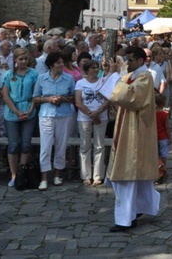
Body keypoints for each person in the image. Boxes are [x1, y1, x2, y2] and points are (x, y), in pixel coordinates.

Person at [104, 46, 160, 232]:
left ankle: (125, 218)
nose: (127, 63)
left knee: (127, 174)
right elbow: (114, 94)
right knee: (134, 175)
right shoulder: (132, 76)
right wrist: (113, 76)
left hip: (136, 131)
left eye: (131, 59)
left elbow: (131, 97)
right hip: (127, 129)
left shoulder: (144, 77)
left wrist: (115, 77)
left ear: (141, 60)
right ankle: (138, 209)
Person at [33, 51, 76, 190]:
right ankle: (44, 177)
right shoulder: (42, 78)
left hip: (63, 114)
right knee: (45, 146)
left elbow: (73, 96)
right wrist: (48, 99)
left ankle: (58, 174)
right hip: (46, 114)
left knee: (61, 144)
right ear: (51, 65)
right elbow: (35, 98)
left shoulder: (68, 78)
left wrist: (63, 99)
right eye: (58, 63)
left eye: (62, 62)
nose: (61, 65)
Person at [1, 48, 39, 188]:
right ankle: (14, 174)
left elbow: (36, 93)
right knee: (13, 145)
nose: (23, 62)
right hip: (12, 112)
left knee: (25, 143)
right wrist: (16, 111)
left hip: (29, 110)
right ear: (15, 60)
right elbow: (5, 94)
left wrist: (30, 109)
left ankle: (22, 170)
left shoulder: (34, 74)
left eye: (25, 59)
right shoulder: (9, 74)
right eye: (20, 59)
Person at [74, 59, 110, 187]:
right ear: (87, 69)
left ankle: (98, 175)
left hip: (101, 115)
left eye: (97, 68)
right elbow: (78, 102)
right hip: (84, 117)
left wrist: (98, 111)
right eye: (93, 68)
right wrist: (91, 114)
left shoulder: (103, 82)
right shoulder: (80, 83)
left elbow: (108, 99)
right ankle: (86, 175)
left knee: (99, 146)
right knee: (85, 146)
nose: (96, 70)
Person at [155, 93, 171, 184]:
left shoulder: (153, 114)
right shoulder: (164, 114)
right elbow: (167, 127)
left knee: (156, 155)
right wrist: (170, 137)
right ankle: (163, 168)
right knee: (163, 155)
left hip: (155, 137)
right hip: (163, 137)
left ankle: (158, 169)